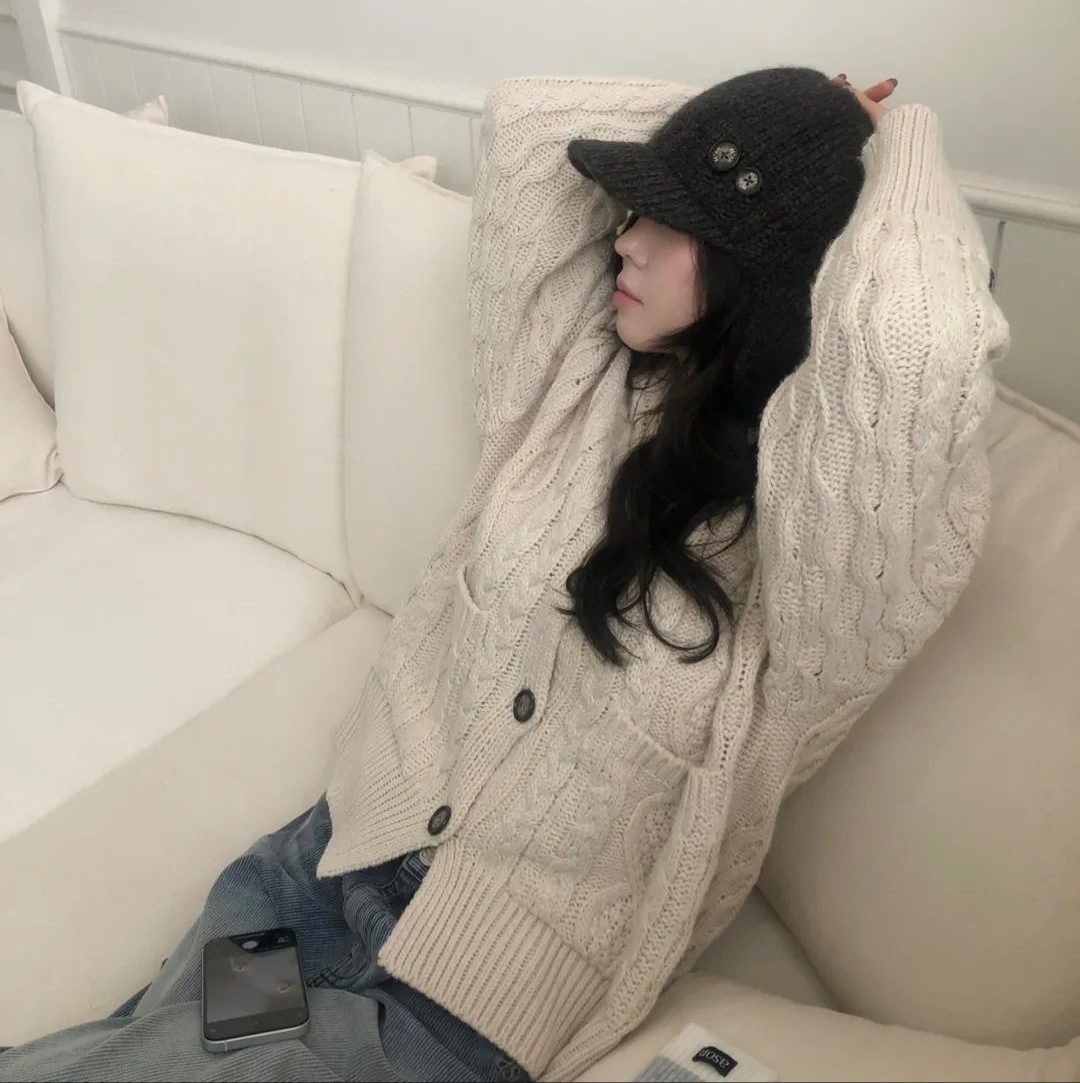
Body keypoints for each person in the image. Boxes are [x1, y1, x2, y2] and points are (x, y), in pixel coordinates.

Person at [0, 67, 1009, 1082]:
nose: (624, 239)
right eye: (636, 211)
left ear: (775, 272)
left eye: (669, 223)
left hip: (459, 1015)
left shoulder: (819, 575)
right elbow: (528, 125)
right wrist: (785, 122)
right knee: (144, 1057)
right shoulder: (570, 383)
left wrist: (890, 139)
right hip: (313, 880)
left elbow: (921, 344)